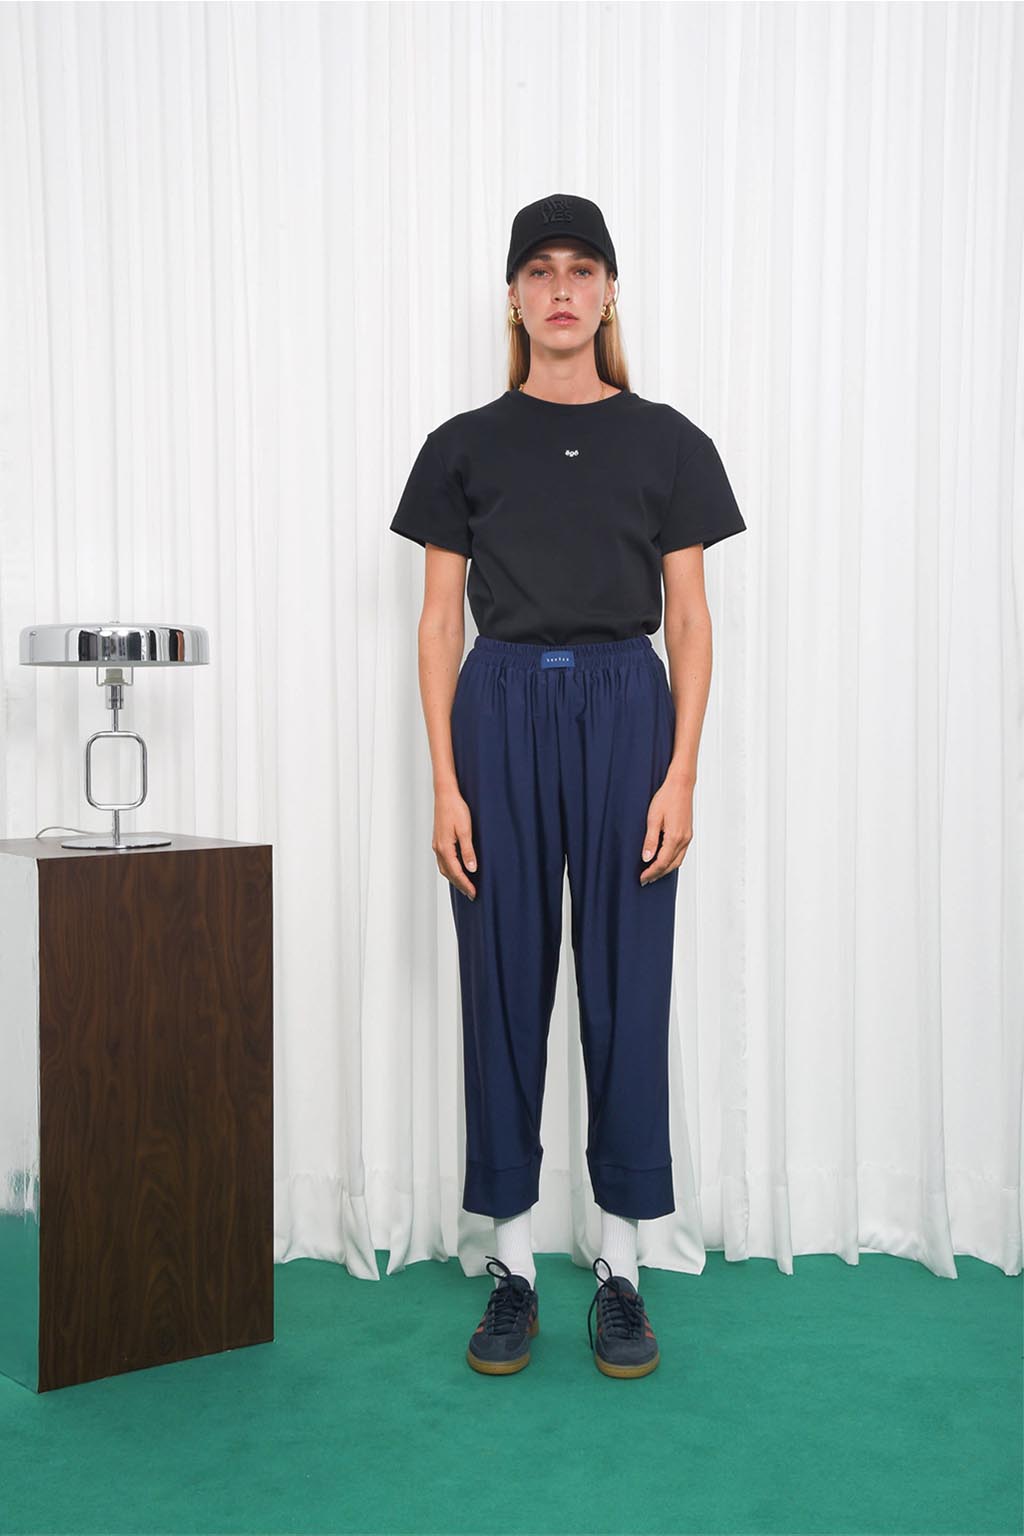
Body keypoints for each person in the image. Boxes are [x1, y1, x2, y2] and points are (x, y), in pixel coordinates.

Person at [389, 193, 746, 1379]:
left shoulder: (668, 442)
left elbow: (688, 620)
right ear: (511, 295)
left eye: (580, 270)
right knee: (500, 981)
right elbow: (436, 624)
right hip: (495, 707)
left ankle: (621, 1269)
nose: (559, 289)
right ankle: (510, 1267)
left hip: (626, 707)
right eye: (538, 270)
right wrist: (445, 783)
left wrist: (680, 771)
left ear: (607, 292)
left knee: (625, 986)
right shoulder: (462, 446)